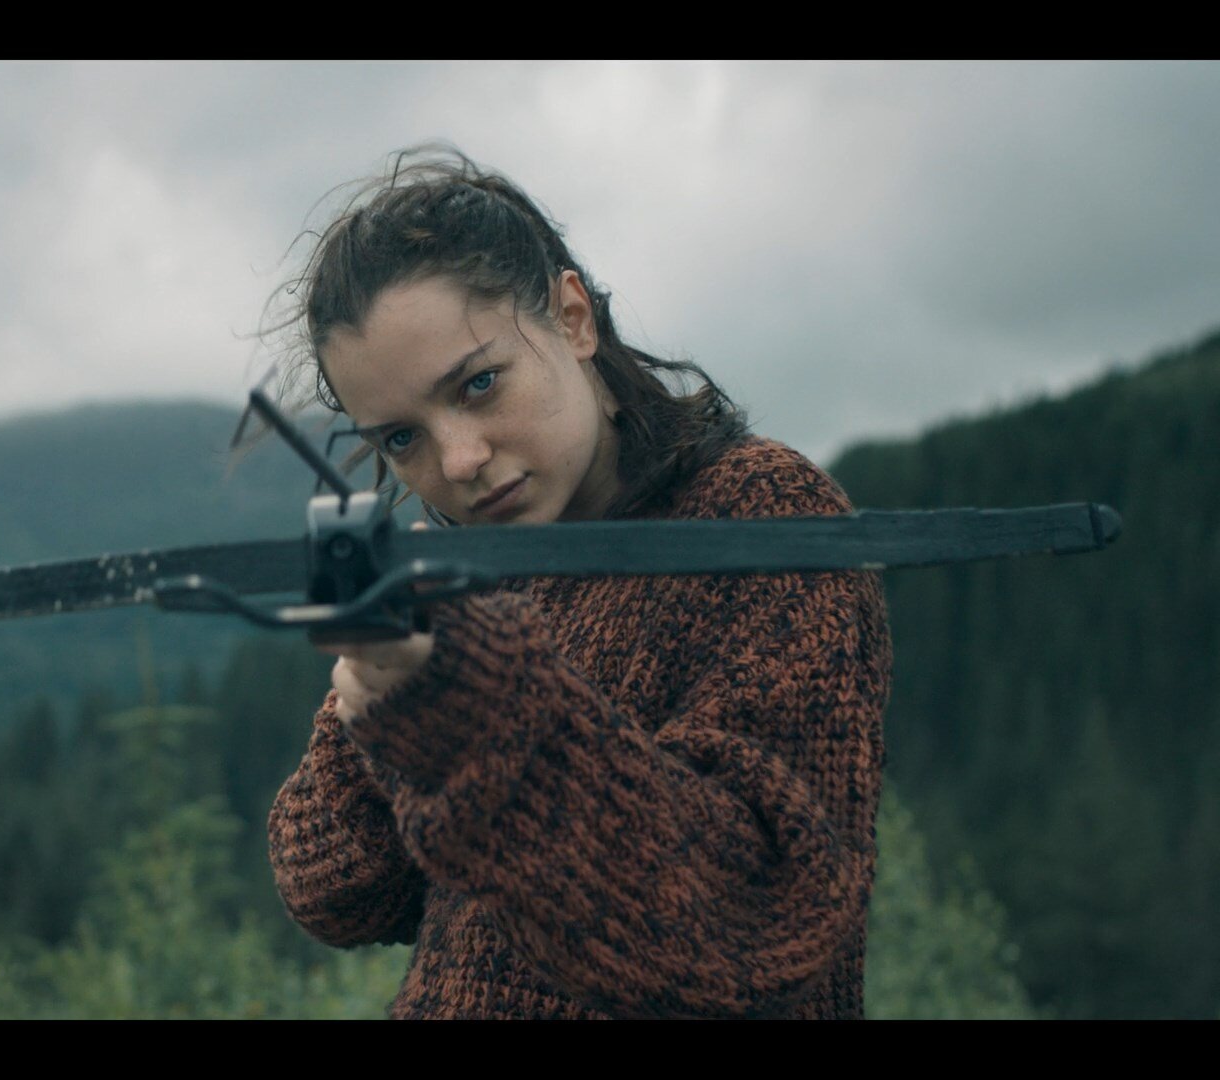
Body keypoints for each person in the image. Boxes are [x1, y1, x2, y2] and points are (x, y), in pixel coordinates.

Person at [261, 146, 893, 1020]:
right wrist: (370, 707)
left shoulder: (759, 511)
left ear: (572, 319)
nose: (459, 460)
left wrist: (473, 703)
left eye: (479, 384)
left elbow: (748, 921)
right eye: (402, 438)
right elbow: (339, 890)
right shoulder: (478, 577)